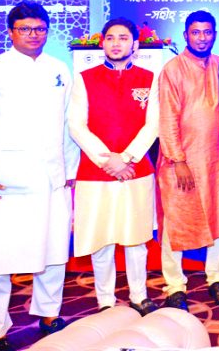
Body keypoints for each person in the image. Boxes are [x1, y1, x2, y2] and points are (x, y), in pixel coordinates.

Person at [0, 1, 79, 351]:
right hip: (3, 184)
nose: (33, 35)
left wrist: (69, 171)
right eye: (25, 29)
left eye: (39, 28)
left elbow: (68, 124)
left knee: (54, 254)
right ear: (10, 32)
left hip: (52, 180)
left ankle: (49, 313)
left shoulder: (59, 69)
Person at [69, 17, 159, 316]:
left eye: (123, 38)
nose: (116, 43)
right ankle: (105, 299)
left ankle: (139, 295)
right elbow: (76, 125)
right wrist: (108, 161)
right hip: (96, 173)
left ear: (135, 45)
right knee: (101, 237)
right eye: (110, 38)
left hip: (136, 171)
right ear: (102, 42)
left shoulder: (150, 78)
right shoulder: (84, 77)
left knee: (136, 238)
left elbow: (153, 125)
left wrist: (128, 158)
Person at [156, 10, 219, 312]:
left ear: (214, 34)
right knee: (176, 222)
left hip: (216, 160)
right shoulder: (173, 69)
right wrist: (178, 160)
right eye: (196, 32)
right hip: (182, 162)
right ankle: (174, 284)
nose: (202, 37)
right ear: (186, 35)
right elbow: (167, 117)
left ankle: (217, 278)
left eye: (207, 32)